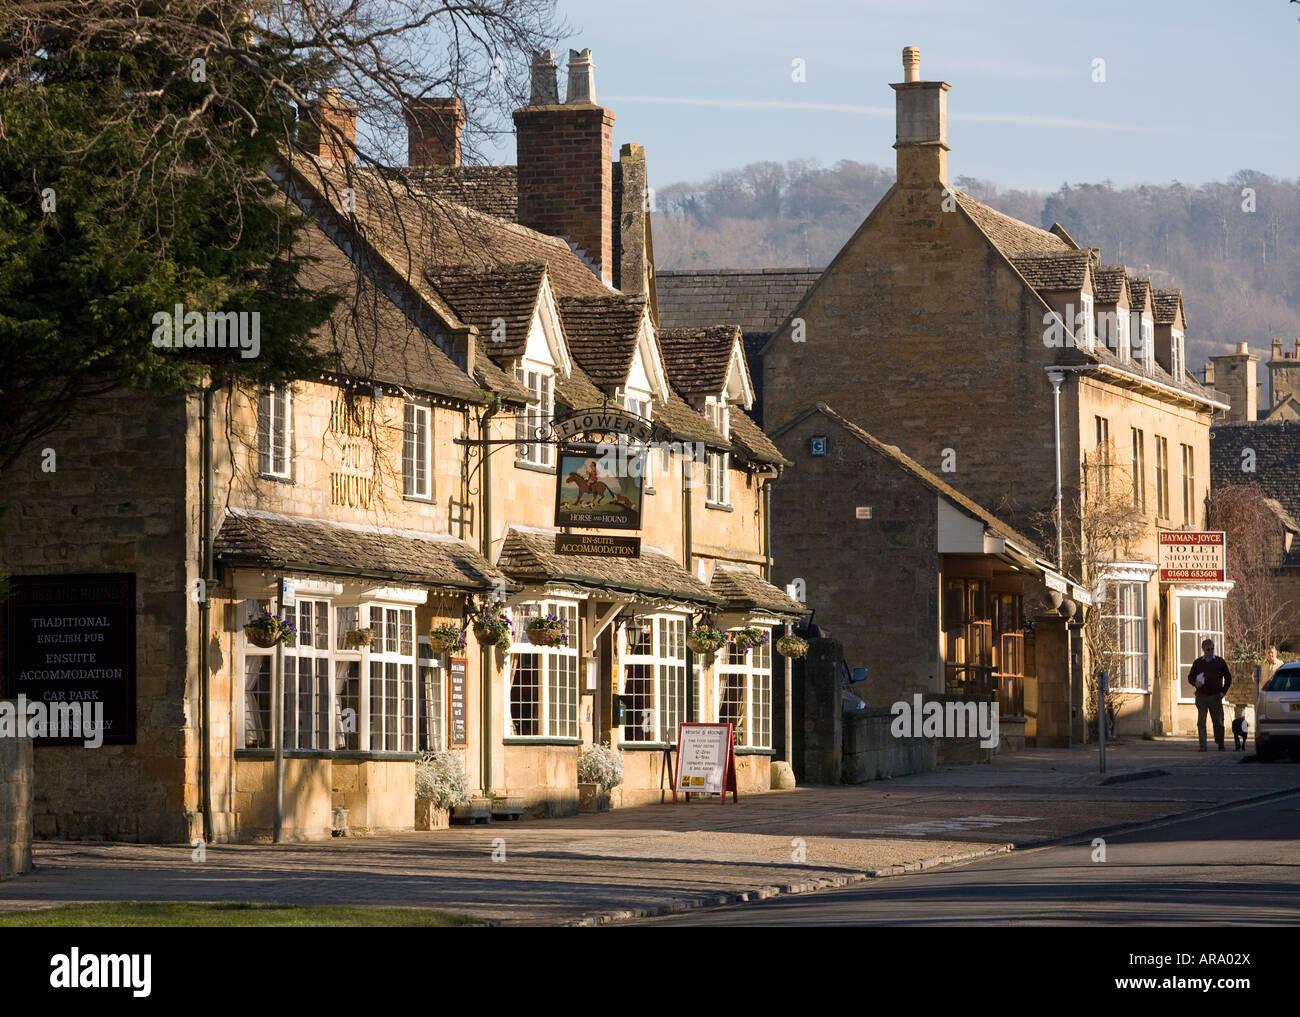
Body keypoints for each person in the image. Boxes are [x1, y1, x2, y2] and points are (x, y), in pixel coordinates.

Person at [1188, 638, 1232, 752]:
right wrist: (1195, 682)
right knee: (1201, 721)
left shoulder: (1219, 662)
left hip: (1215, 695)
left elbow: (1228, 677)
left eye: (1212, 649)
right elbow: (1190, 677)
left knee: (1218, 721)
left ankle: (1220, 743)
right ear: (1203, 649)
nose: (1210, 651)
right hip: (1201, 696)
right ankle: (1203, 744)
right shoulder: (1198, 662)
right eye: (1208, 649)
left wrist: (1223, 691)